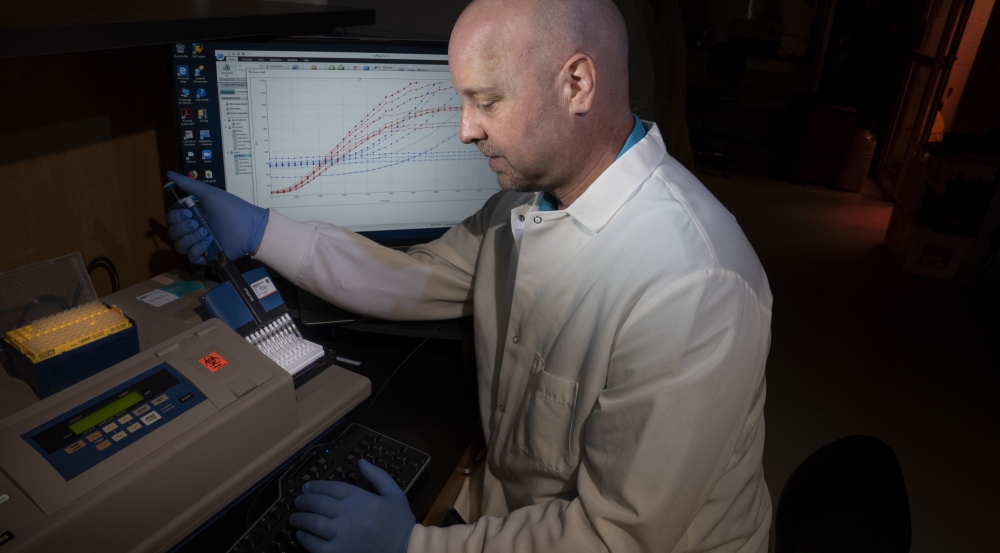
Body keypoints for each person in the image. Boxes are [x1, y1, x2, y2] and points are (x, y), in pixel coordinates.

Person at [166, 0, 773, 551]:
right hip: (507, 511)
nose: (466, 129)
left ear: (577, 83)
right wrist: (263, 230)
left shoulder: (694, 284)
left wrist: (414, 547)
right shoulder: (526, 202)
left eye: (487, 101)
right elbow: (414, 279)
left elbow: (615, 538)